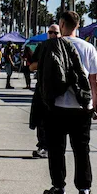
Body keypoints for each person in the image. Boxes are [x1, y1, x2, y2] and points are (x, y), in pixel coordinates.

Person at [41, 11, 97, 194]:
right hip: (82, 108)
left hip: (57, 106)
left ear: (61, 24)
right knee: (82, 149)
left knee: (56, 148)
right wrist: (96, 105)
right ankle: (84, 188)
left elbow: (43, 78)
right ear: (78, 25)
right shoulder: (88, 48)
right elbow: (95, 81)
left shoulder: (51, 46)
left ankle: (59, 187)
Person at [29, 24, 60, 160]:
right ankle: (43, 146)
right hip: (42, 88)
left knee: (55, 120)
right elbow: (31, 66)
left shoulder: (65, 47)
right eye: (50, 32)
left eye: (56, 33)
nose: (53, 35)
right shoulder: (42, 47)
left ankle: (52, 147)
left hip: (60, 90)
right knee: (40, 118)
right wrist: (44, 62)